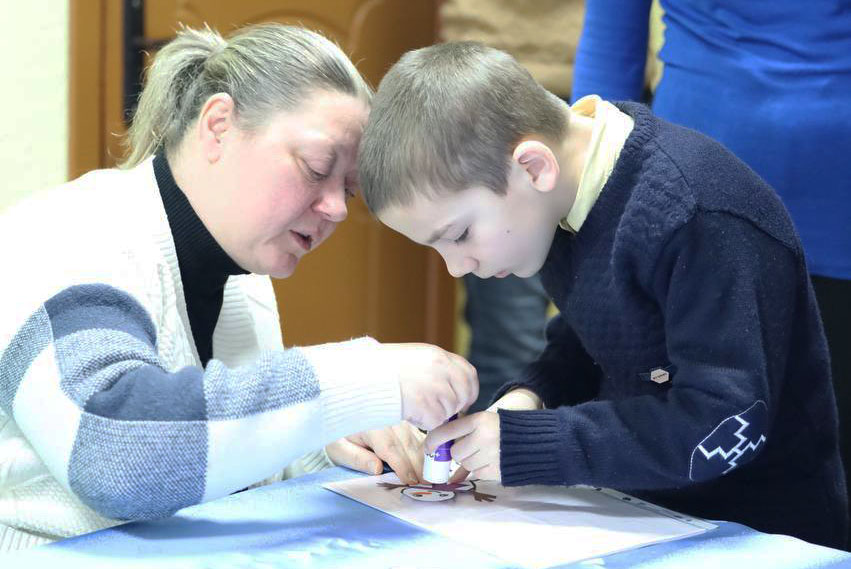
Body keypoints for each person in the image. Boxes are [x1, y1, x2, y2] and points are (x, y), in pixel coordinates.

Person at [0, 24, 478, 552]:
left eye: (349, 190)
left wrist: (331, 437)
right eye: (317, 167)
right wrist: (361, 377)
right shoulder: (65, 236)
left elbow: (215, 456)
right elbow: (112, 452)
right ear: (218, 125)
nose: (338, 209)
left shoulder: (241, 281)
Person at [357, 41, 847, 548]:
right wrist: (531, 399)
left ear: (532, 168)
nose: (459, 266)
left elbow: (720, 422)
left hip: (760, 532)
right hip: (639, 516)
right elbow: (596, 344)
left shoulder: (697, 216)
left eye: (458, 235)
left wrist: (534, 446)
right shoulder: (562, 203)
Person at [571, 3, 851, 531]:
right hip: (678, 219)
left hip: (831, 216)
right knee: (682, 473)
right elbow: (609, 46)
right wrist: (588, 218)